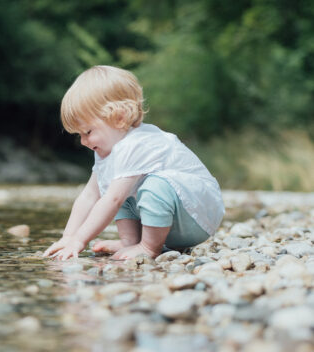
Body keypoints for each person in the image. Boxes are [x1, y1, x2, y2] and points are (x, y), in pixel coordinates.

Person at [43, 65, 224, 261]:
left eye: (88, 132)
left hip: (197, 215)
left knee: (139, 190)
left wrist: (79, 240)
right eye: (79, 135)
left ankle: (148, 247)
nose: (83, 141)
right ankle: (131, 243)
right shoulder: (109, 151)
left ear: (119, 118)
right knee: (113, 187)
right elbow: (89, 195)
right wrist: (68, 236)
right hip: (174, 222)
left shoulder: (135, 144)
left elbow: (113, 200)